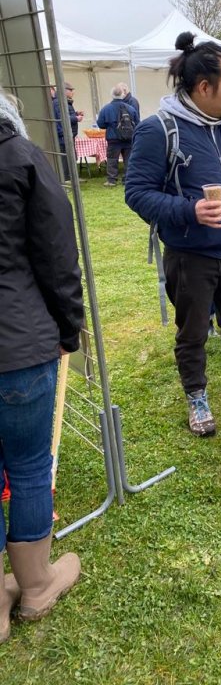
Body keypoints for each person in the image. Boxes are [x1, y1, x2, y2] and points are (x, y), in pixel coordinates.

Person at [125, 32, 221, 437]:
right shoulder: (158, 130)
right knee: (193, 332)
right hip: (190, 255)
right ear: (203, 87)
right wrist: (189, 211)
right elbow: (137, 193)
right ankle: (196, 396)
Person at [0, 88, 84, 641]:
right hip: (20, 345)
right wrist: (68, 326)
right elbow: (58, 255)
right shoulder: (23, 157)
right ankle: (34, 587)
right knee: (29, 466)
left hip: (18, 339)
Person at [96, 85, 139, 187]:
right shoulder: (130, 108)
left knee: (112, 159)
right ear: (123, 95)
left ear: (112, 95)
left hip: (113, 138)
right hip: (129, 138)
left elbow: (100, 124)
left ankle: (112, 180)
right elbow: (137, 122)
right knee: (128, 159)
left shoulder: (106, 108)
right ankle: (128, 179)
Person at [52, 82, 83, 180]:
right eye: (71, 90)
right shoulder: (58, 102)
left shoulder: (62, 101)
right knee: (66, 158)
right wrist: (76, 118)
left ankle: (71, 177)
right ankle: (66, 179)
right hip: (63, 135)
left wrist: (75, 113)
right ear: (64, 91)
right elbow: (63, 118)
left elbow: (66, 114)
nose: (72, 92)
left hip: (68, 134)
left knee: (70, 156)